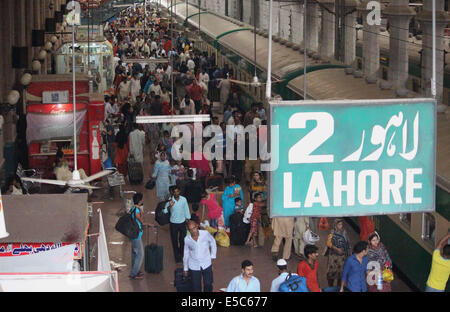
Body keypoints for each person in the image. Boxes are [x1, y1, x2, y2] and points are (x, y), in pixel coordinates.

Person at [183, 220, 217, 292]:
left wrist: (213, 256)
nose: (193, 231)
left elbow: (213, 242)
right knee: (196, 287)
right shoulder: (187, 239)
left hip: (206, 263)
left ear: (197, 226)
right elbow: (186, 253)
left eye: (194, 228)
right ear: (188, 230)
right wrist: (185, 268)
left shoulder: (205, 234)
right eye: (190, 229)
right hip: (194, 266)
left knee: (208, 284)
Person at [164, 185, 191, 263]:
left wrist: (188, 218)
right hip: (173, 224)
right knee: (174, 241)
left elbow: (186, 209)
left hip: (182, 223)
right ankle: (177, 257)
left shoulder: (183, 200)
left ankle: (182, 254)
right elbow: (165, 211)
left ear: (179, 191)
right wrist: (169, 206)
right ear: (172, 192)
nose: (176, 193)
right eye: (174, 191)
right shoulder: (170, 201)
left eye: (177, 191)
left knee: (183, 240)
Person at [129, 192, 153, 280]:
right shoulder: (137, 210)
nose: (143, 200)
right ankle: (133, 273)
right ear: (139, 201)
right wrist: (141, 211)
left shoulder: (132, 208)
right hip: (136, 235)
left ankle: (136, 269)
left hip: (132, 234)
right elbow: (142, 221)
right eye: (142, 199)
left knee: (134, 253)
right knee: (140, 254)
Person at [325, 218, 351, 287]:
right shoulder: (332, 233)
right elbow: (328, 243)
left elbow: (347, 243)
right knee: (331, 274)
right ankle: (331, 287)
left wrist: (348, 253)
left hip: (342, 258)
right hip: (333, 258)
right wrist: (336, 249)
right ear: (335, 225)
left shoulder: (344, 232)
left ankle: (339, 288)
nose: (341, 226)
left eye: (341, 224)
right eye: (339, 224)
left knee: (340, 274)